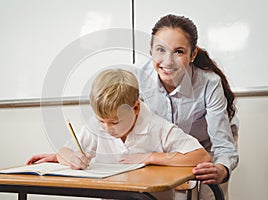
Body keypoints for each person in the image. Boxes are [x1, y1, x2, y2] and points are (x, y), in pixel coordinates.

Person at [28, 68, 210, 199]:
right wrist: (71, 157)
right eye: (101, 121)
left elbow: (200, 156)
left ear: (136, 108)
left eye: (114, 122)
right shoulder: (96, 126)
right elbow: (66, 151)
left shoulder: (157, 127)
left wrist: (149, 157)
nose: (107, 128)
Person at [132, 14, 239, 199]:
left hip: (208, 146)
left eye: (179, 51)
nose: (168, 61)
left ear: (193, 54)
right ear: (150, 50)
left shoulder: (209, 83)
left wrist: (222, 169)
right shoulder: (137, 80)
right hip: (164, 152)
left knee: (209, 192)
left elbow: (223, 145)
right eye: (160, 50)